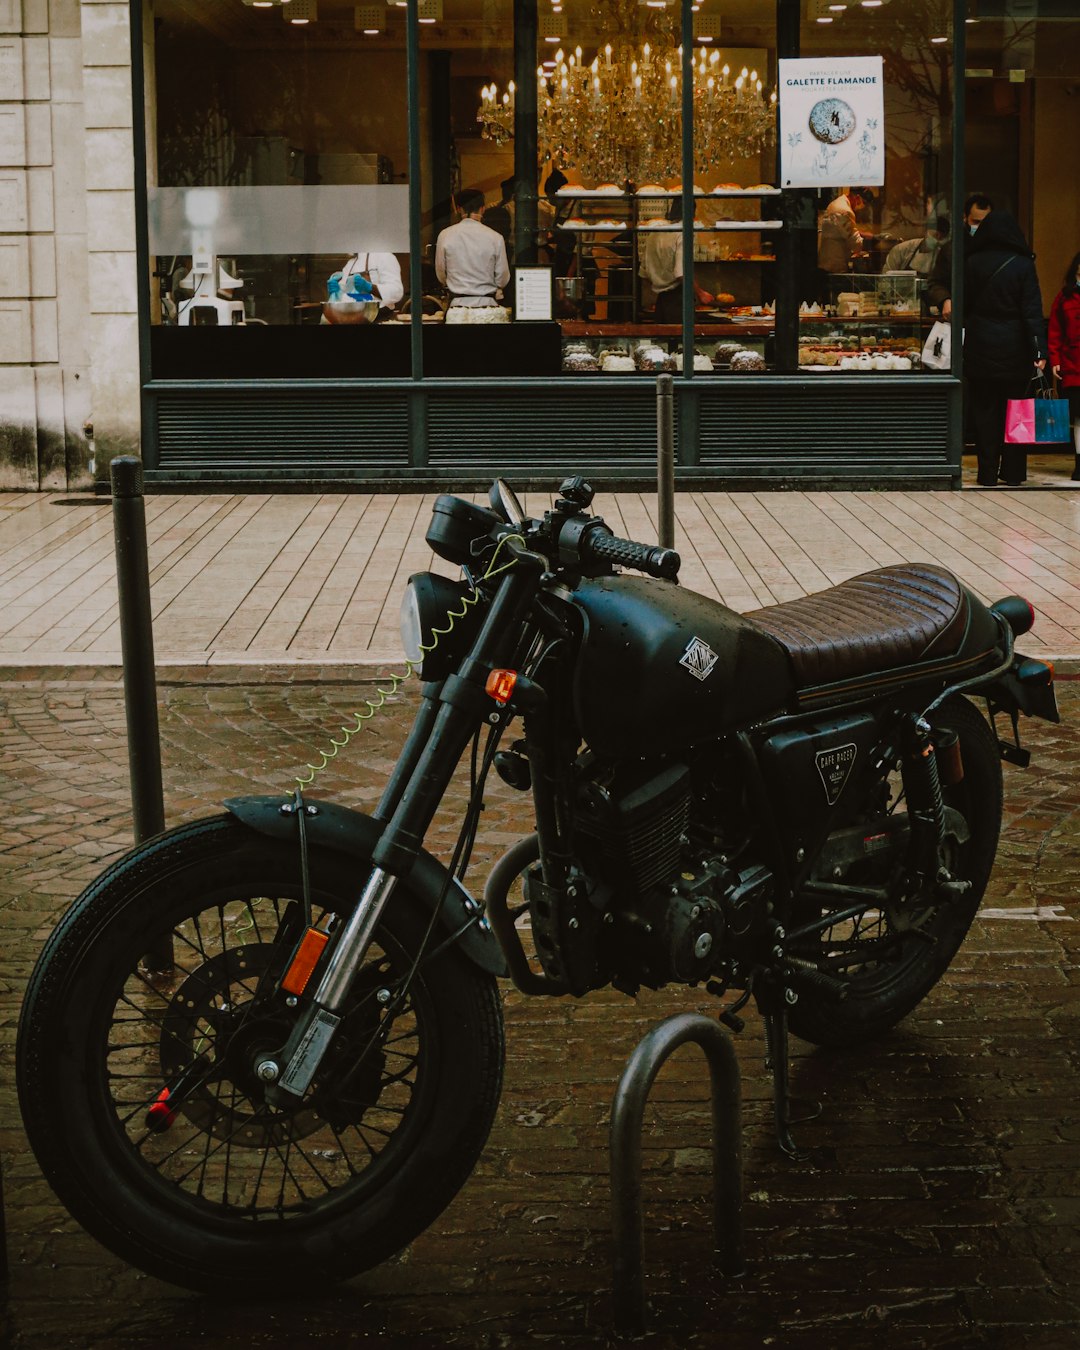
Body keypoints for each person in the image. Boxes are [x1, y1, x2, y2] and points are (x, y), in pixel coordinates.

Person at [963, 209, 1047, 486]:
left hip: (980, 346)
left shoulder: (972, 262)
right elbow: (1032, 312)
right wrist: (1038, 351)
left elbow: (964, 305)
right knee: (1017, 412)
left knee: (985, 413)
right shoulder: (1023, 265)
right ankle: (1013, 473)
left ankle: (986, 473)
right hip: (1016, 349)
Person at [434, 187, 510, 308]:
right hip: (487, 306)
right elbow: (502, 278)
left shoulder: (445, 235)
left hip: (457, 307)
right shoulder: (496, 237)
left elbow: (441, 274)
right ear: (483, 209)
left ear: (458, 209)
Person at [640, 198, 712, 324]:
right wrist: (701, 293)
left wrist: (661, 282)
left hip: (660, 303)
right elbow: (681, 273)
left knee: (663, 341)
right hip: (678, 301)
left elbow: (644, 272)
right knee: (682, 341)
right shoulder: (683, 233)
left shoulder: (654, 234)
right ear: (692, 213)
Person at [926, 192, 993, 317]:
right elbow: (935, 282)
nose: (980, 227)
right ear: (965, 218)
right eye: (975, 222)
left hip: (991, 320)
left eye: (985, 222)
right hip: (961, 319)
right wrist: (945, 300)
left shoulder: (999, 250)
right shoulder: (951, 250)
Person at [1048, 249, 1080, 481]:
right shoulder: (1065, 297)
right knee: (1078, 417)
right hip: (1072, 365)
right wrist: (1055, 360)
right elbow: (1055, 333)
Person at [323, 251, 403, 323]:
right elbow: (346, 297)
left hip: (379, 318)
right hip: (353, 318)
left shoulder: (385, 256)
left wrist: (370, 287)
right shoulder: (350, 264)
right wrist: (337, 291)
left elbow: (397, 291)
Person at [816, 188, 872, 275]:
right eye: (863, 203)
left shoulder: (838, 203)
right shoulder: (844, 210)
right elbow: (853, 240)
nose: (861, 206)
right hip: (834, 263)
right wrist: (870, 243)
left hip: (828, 260)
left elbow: (840, 230)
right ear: (857, 197)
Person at [884, 215, 950, 277]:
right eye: (936, 235)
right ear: (926, 231)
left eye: (941, 238)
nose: (937, 240)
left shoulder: (942, 256)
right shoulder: (901, 250)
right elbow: (886, 278)